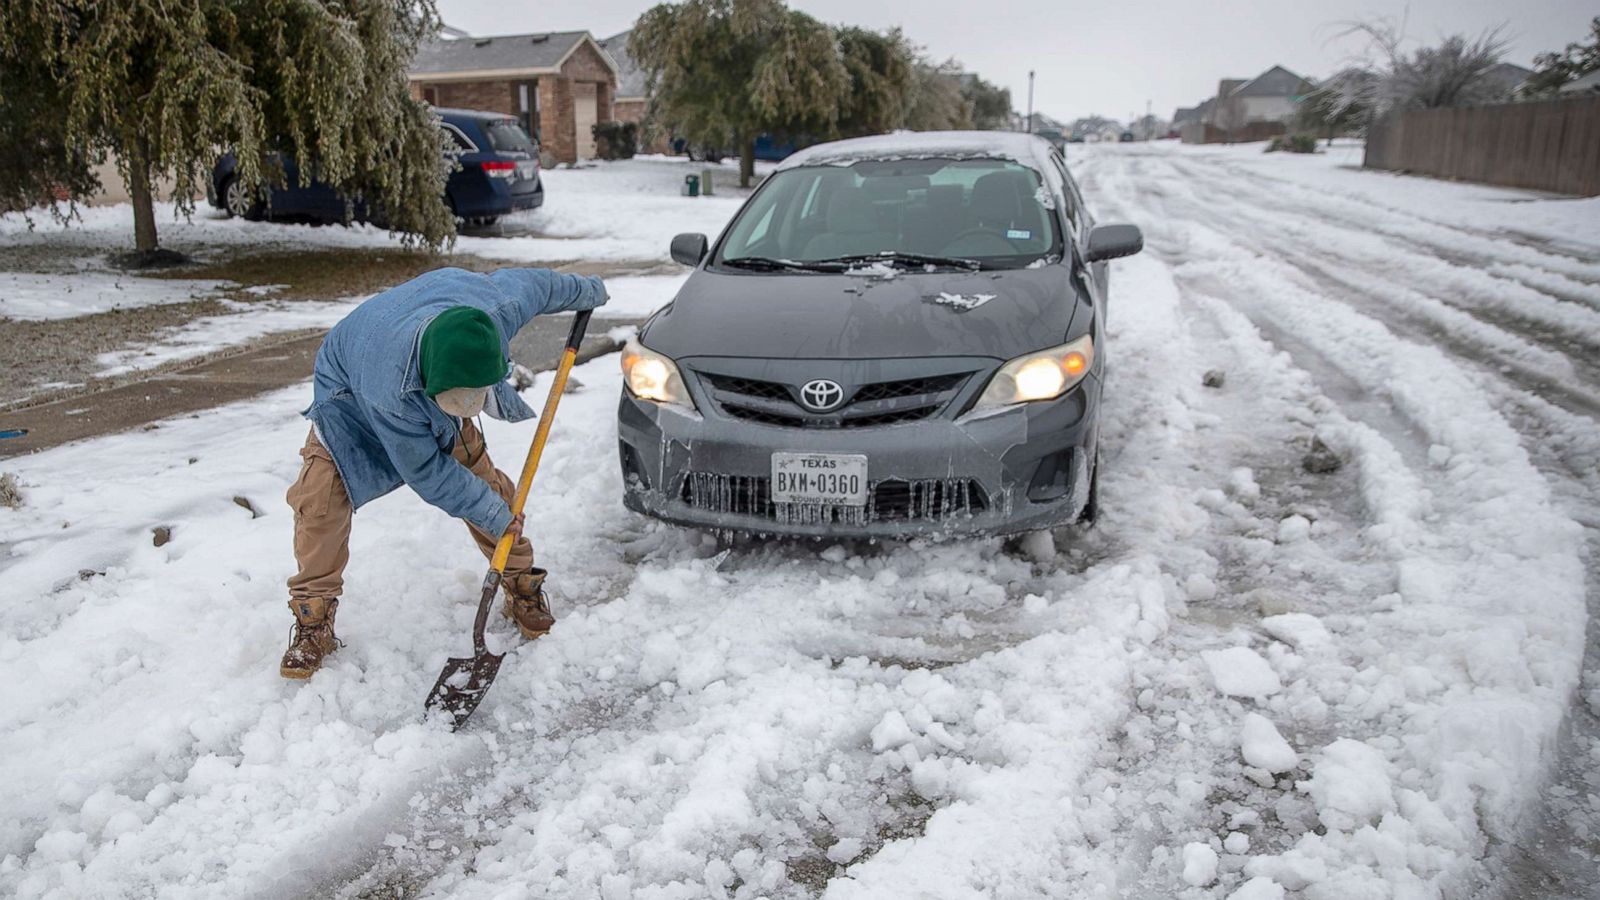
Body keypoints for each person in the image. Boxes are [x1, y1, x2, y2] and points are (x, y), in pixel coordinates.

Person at [280, 266, 607, 679]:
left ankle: (520, 581)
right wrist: (491, 513)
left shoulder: (492, 311)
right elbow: (430, 474)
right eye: (456, 404)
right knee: (319, 503)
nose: (466, 411)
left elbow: (540, 286)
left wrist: (588, 290)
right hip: (349, 397)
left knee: (488, 490)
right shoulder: (391, 392)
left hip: (431, 369)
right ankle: (313, 620)